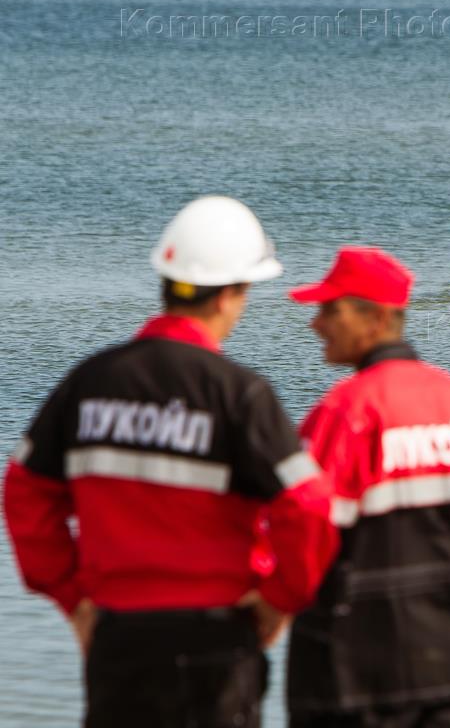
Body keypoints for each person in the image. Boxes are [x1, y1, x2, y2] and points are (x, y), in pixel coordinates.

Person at [3, 196, 339, 728]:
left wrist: (70, 594)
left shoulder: (91, 381)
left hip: (118, 637)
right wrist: (279, 599)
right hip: (218, 638)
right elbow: (309, 507)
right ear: (228, 296)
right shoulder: (239, 394)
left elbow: (24, 489)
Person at [286, 246, 450, 728]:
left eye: (330, 310)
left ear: (376, 319)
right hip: (447, 664)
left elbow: (302, 540)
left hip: (353, 673)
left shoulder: (345, 411)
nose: (316, 324)